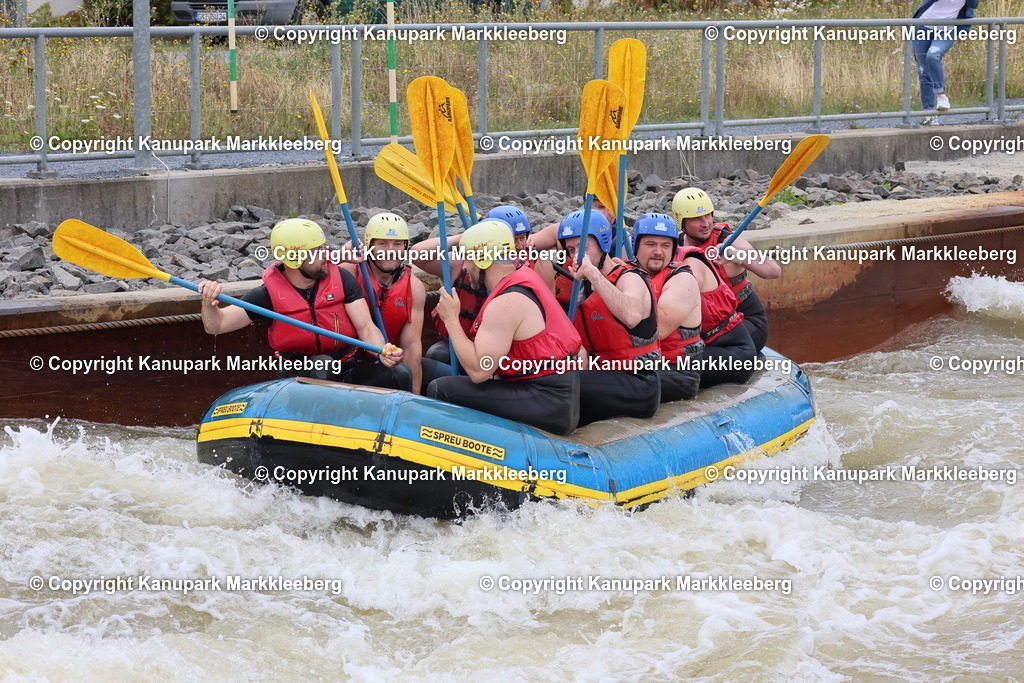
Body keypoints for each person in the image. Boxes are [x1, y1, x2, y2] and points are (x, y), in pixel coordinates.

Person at [198, 218, 410, 390]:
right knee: (322, 364)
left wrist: (382, 350)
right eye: (317, 251)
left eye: (323, 248)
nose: (326, 256)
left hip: (346, 368)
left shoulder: (342, 279)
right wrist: (209, 304)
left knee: (398, 374)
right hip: (297, 378)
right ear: (294, 259)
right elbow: (217, 325)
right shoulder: (265, 295)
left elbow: (366, 327)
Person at [429, 220, 583, 435]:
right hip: (560, 397)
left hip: (546, 401)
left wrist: (451, 320)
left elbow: (479, 371)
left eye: (468, 259)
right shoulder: (526, 276)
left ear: (482, 259)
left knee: (441, 389)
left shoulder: (506, 302)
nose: (464, 267)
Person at [558, 209, 661, 425]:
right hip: (603, 377)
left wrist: (593, 275)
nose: (577, 256)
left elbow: (631, 315)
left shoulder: (630, 278)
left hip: (638, 382)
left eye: (583, 248)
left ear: (603, 243)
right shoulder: (582, 286)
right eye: (571, 250)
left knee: (562, 384)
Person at [340, 212, 442, 394]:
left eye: (397, 244)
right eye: (382, 244)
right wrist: (340, 255)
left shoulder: (414, 287)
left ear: (405, 247)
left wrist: (414, 399)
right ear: (369, 246)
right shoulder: (348, 271)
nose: (390, 251)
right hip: (347, 365)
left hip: (388, 361)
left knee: (425, 374)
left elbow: (411, 347)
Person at [673, 187, 780, 352]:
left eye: (707, 215)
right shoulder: (675, 246)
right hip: (708, 325)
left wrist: (735, 255)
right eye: (696, 219)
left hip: (745, 323)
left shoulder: (729, 241)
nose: (705, 223)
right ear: (681, 222)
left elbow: (773, 271)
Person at [630, 213, 703, 402]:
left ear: (673, 250)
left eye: (665, 246)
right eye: (650, 244)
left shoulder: (682, 280)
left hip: (677, 372)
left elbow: (656, 330)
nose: (658, 252)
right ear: (635, 246)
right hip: (643, 364)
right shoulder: (628, 272)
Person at [910, 0, 980, 124]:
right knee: (924, 71)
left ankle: (941, 95)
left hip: (947, 29)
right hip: (923, 26)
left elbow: (973, 5)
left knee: (933, 56)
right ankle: (929, 114)